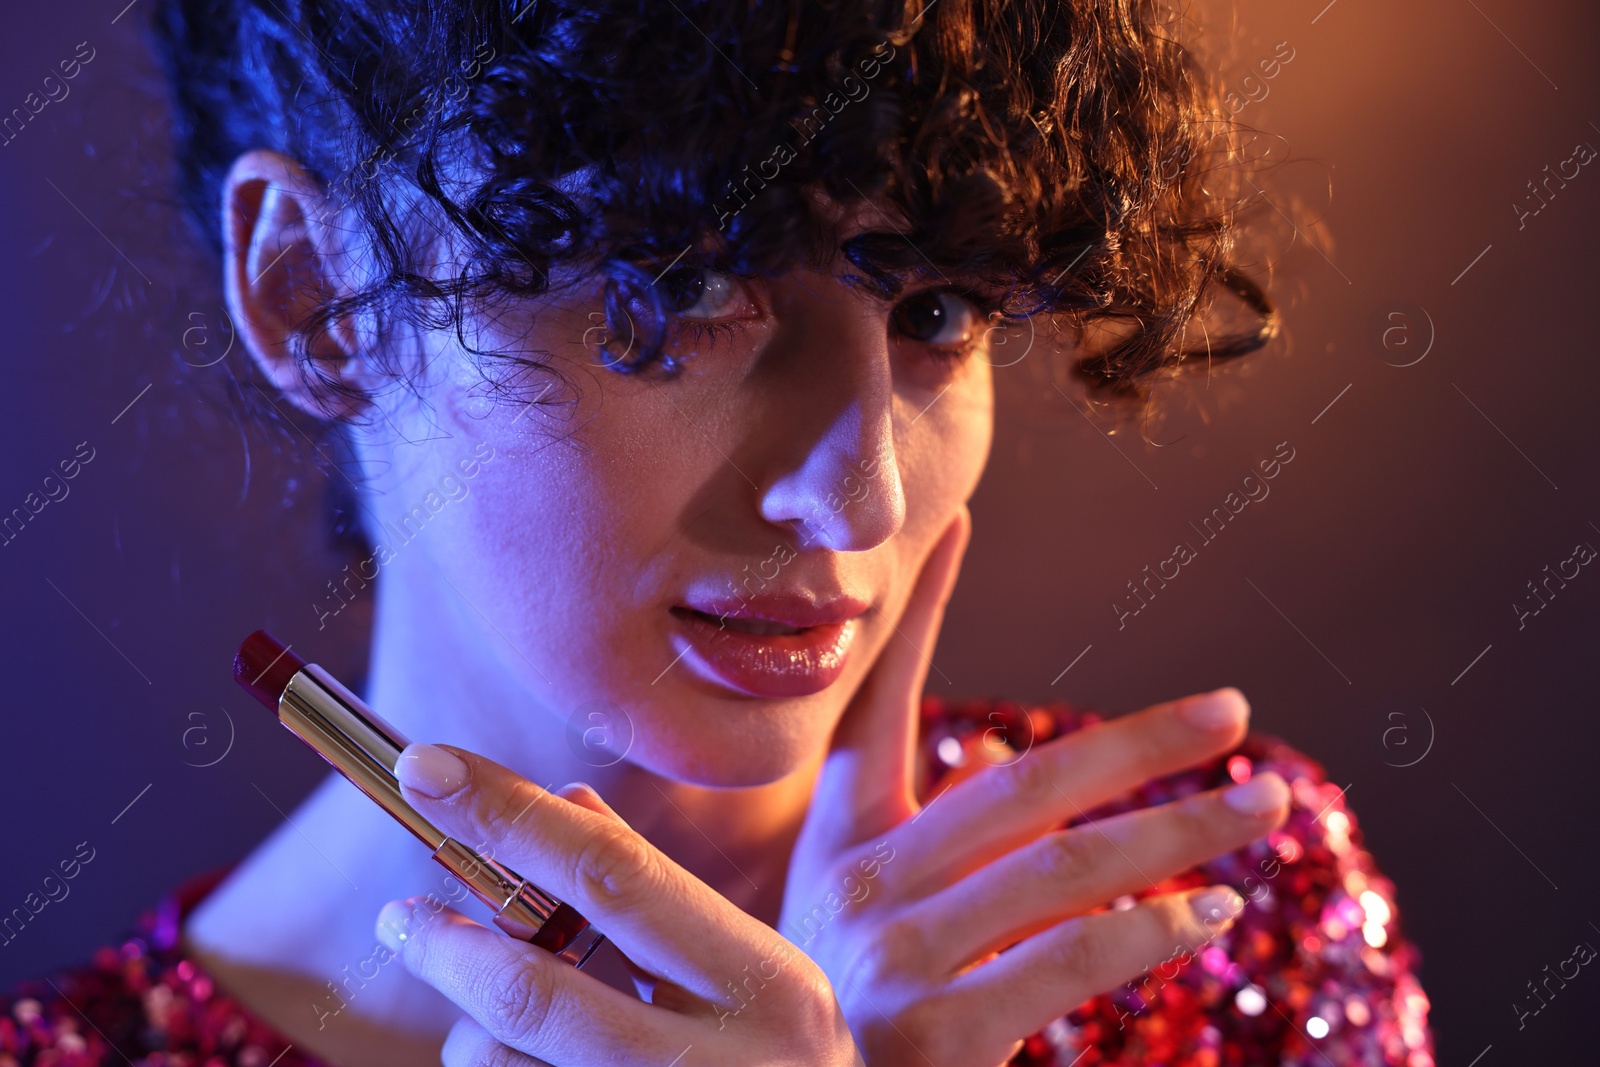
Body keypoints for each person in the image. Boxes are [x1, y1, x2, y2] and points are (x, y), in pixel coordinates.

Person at [0, 1, 1434, 1064]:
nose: (859, 498)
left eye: (938, 311)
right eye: (677, 295)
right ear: (317, 294)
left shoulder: (1225, 905)